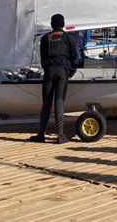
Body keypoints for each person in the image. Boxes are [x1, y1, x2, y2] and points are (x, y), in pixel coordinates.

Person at [29, 14, 79, 144]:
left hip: (49, 72)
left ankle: (41, 134)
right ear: (62, 24)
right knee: (58, 101)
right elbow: (76, 57)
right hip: (62, 71)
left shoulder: (45, 38)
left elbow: (43, 57)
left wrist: (47, 69)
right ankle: (60, 135)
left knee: (46, 102)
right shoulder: (68, 38)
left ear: (52, 24)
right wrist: (71, 72)